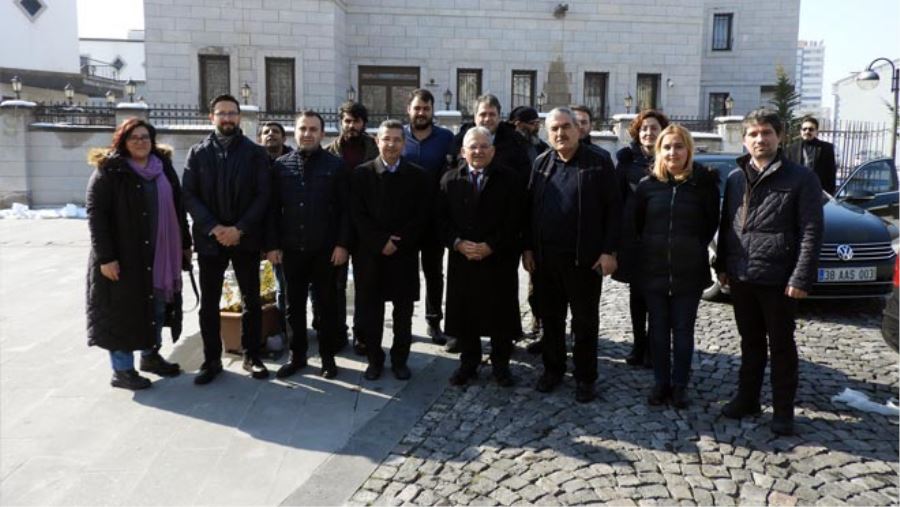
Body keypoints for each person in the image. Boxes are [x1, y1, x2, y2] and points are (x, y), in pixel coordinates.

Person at [716, 109, 824, 436]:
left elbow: (811, 230)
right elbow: (728, 225)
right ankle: (747, 398)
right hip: (742, 275)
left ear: (780, 137)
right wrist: (722, 265)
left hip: (779, 278)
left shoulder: (801, 178)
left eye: (766, 133)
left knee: (781, 346)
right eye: (753, 134)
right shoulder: (736, 178)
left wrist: (801, 276)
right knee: (750, 342)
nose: (760, 139)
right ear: (744, 140)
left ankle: (783, 410)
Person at [522, 107, 622, 403]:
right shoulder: (541, 162)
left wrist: (609, 251)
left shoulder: (598, 162)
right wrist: (528, 248)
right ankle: (553, 370)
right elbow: (529, 210)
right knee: (551, 320)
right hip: (546, 260)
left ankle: (585, 377)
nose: (560, 133)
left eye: (566, 126)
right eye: (554, 128)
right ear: (547, 132)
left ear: (578, 129)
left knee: (584, 323)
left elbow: (614, 210)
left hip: (584, 261)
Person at [86, 117, 191, 390]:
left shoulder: (162, 166)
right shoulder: (110, 170)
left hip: (160, 252)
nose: (140, 142)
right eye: (134, 137)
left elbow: (178, 206)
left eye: (145, 137)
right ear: (122, 141)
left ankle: (150, 356)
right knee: (123, 311)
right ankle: (122, 371)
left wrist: (185, 243)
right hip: (124, 255)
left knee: (156, 306)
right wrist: (106, 257)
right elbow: (96, 215)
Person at [182, 94, 272, 385]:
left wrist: (239, 229)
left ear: (239, 117)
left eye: (232, 113)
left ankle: (251, 354)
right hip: (210, 240)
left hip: (245, 239)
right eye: (222, 113)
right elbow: (188, 194)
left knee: (251, 300)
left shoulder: (255, 153)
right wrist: (214, 227)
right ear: (212, 118)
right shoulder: (198, 153)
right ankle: (211, 360)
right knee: (209, 303)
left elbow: (264, 195)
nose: (227, 118)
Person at [633, 124, 720, 408]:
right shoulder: (647, 186)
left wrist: (690, 247)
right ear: (659, 151)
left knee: (683, 331)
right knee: (658, 330)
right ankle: (661, 382)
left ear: (688, 150)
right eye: (667, 147)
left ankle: (680, 385)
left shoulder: (703, 185)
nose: (673, 152)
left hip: (688, 272)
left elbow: (710, 224)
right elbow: (636, 225)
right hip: (653, 270)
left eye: (679, 146)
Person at [266, 111, 350, 380]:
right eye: (303, 129)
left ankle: (327, 357)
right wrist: (272, 245)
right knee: (293, 307)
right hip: (291, 249)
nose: (308, 134)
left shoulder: (335, 166)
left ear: (322, 134)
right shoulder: (281, 166)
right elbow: (272, 210)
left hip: (325, 250)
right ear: (295, 132)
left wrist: (342, 244)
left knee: (326, 306)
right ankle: (297, 356)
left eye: (313, 129)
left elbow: (345, 210)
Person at [438, 126, 523, 387]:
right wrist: (457, 243)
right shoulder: (449, 179)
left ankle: (501, 365)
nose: (478, 151)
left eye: (484, 146)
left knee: (500, 313)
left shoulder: (510, 179)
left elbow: (516, 220)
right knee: (466, 314)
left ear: (493, 150)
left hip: (498, 258)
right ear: (463, 151)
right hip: (462, 258)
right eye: (473, 147)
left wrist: (491, 245)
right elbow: (439, 220)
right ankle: (469, 362)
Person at [351, 119, 428, 381]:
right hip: (370, 255)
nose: (391, 144)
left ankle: (400, 360)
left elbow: (421, 216)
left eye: (397, 140)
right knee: (372, 312)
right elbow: (357, 214)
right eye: (386, 139)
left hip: (403, 255)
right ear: (377, 141)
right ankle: (374, 360)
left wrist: (398, 241)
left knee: (403, 313)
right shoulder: (361, 174)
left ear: (404, 144)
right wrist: (379, 241)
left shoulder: (418, 176)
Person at [613, 110, 670, 369]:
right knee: (637, 297)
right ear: (638, 132)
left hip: (662, 239)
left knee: (658, 297)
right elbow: (616, 200)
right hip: (633, 239)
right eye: (644, 128)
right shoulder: (626, 161)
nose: (649, 132)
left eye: (654, 128)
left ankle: (654, 348)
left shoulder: (670, 156)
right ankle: (638, 346)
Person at [324, 101, 380, 355]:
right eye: (347, 121)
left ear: (363, 123)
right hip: (337, 228)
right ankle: (338, 332)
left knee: (365, 285)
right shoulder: (329, 152)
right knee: (335, 284)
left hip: (366, 226)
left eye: (356, 121)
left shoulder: (375, 150)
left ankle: (362, 334)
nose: (351, 126)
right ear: (341, 123)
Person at [402, 89, 456, 346]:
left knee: (434, 272)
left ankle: (434, 321)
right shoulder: (399, 136)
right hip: (405, 218)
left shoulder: (446, 138)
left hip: (435, 218)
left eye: (426, 108)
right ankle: (403, 321)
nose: (421, 113)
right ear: (409, 110)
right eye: (417, 108)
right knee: (405, 272)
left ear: (432, 110)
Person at [258, 121, 292, 345]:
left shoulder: (293, 161)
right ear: (259, 138)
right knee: (258, 287)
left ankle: (286, 328)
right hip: (255, 231)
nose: (271, 135)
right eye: (266, 132)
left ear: (284, 137)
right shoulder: (253, 161)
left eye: (276, 131)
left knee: (284, 286)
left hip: (284, 234)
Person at [785, 115, 837, 194]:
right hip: (797, 192)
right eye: (804, 129)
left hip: (817, 192)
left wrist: (829, 193)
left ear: (816, 131)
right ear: (801, 131)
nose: (807, 131)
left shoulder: (827, 148)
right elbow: (787, 171)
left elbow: (831, 173)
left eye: (811, 129)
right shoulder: (792, 148)